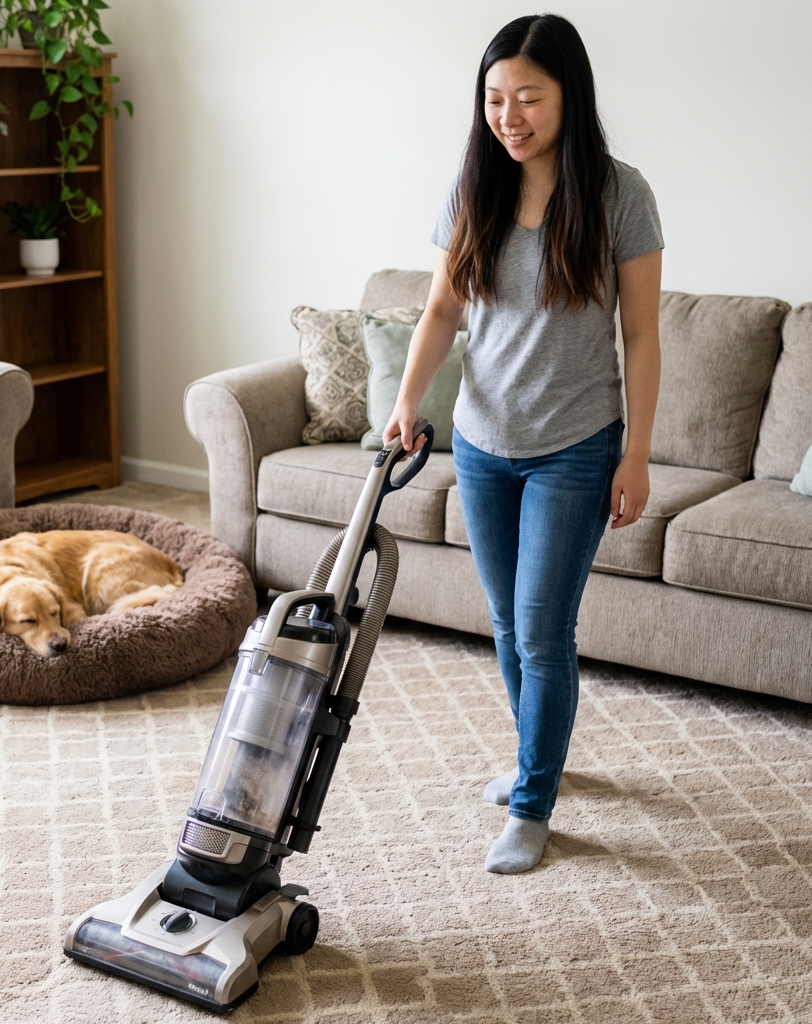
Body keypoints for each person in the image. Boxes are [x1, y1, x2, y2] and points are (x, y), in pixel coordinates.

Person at [383, 13, 663, 874]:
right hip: (479, 442)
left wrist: (638, 452)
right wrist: (405, 403)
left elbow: (643, 337)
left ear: (569, 97)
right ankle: (539, 759)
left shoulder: (620, 194)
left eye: (529, 98)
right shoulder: (475, 188)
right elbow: (440, 311)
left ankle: (533, 801)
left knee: (543, 628)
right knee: (507, 623)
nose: (510, 116)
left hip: (575, 448)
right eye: (496, 99)